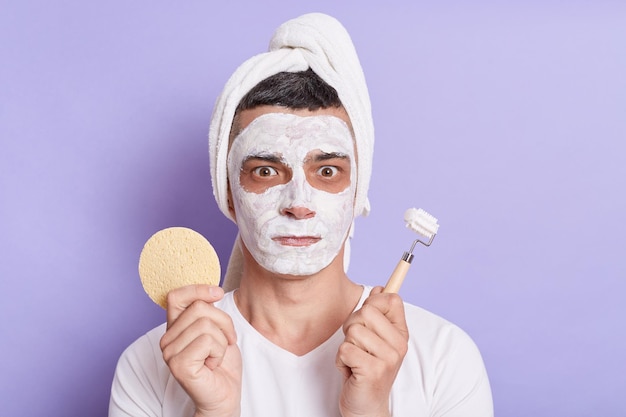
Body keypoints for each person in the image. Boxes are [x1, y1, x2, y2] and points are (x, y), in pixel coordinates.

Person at [109, 13, 493, 417]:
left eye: (327, 171)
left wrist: (372, 409)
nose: (298, 202)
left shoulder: (445, 357)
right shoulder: (150, 364)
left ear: (356, 190)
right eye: (266, 171)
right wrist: (214, 410)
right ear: (227, 191)